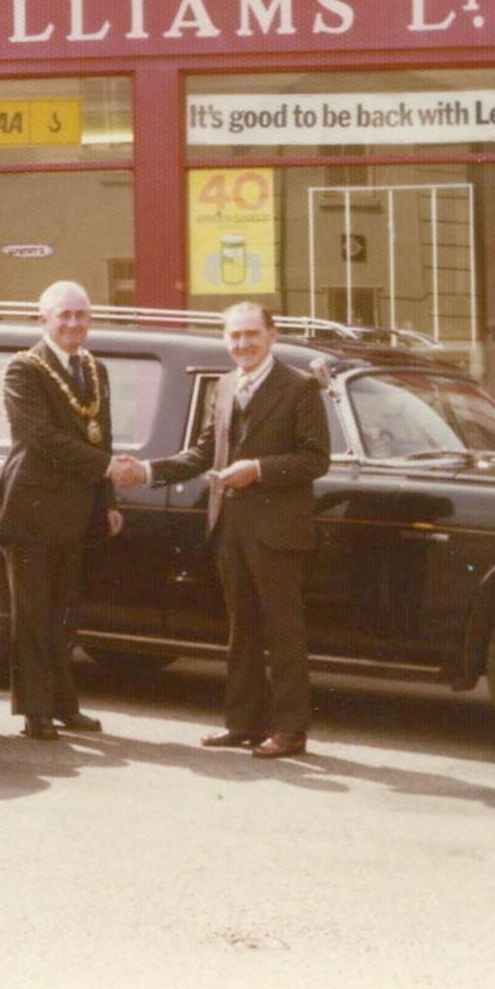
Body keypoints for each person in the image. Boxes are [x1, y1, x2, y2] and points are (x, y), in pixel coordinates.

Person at [115, 302, 330, 759]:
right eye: (233, 336)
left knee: (283, 629)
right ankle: (243, 725)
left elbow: (316, 459)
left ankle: (291, 730)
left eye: (251, 334)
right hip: (230, 527)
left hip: (277, 531)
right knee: (241, 628)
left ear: (272, 335)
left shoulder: (299, 387)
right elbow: (202, 453)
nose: (242, 344)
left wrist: (258, 469)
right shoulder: (226, 384)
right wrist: (148, 471)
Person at [0, 280, 131, 740]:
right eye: (64, 316)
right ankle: (35, 711)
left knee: (64, 612)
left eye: (81, 315)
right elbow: (40, 439)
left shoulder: (95, 368)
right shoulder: (24, 369)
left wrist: (107, 498)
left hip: (75, 507)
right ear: (44, 320)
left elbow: (101, 435)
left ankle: (63, 705)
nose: (74, 324)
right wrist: (107, 467)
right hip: (32, 506)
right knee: (33, 614)